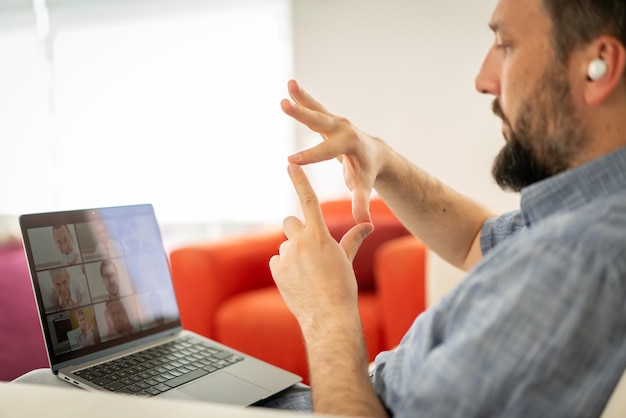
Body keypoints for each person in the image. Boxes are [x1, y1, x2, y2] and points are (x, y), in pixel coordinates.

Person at [267, 0, 626, 416]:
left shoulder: (580, 258)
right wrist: (379, 158)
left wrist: (326, 314)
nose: (483, 80)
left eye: (505, 44)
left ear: (597, 66)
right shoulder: (584, 213)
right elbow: (475, 238)